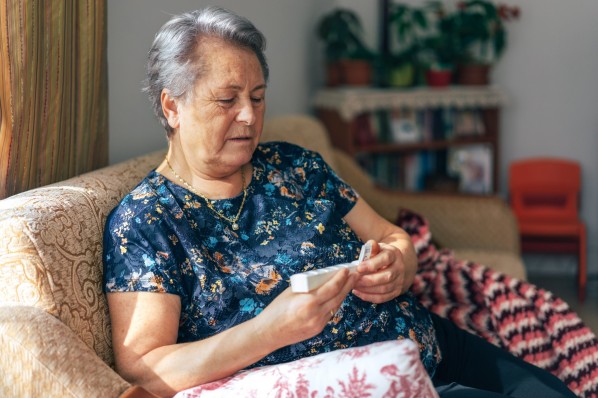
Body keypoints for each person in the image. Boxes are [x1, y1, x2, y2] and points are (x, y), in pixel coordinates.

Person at [103, 7, 575, 398]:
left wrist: (399, 264)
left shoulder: (295, 166)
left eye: (258, 96)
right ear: (172, 107)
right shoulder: (147, 222)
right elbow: (146, 369)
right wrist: (272, 329)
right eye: (227, 99)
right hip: (361, 385)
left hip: (429, 342)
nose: (249, 115)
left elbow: (391, 236)